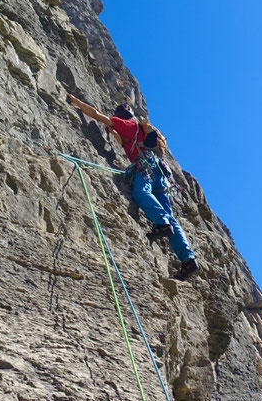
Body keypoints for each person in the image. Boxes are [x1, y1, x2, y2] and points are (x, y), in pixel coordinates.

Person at [66, 93, 198, 280]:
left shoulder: (126, 125)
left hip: (145, 166)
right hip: (160, 173)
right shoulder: (136, 130)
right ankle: (188, 259)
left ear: (119, 116)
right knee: (170, 216)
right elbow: (125, 142)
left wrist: (76, 101)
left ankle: (161, 222)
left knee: (140, 192)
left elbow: (96, 114)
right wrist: (113, 133)